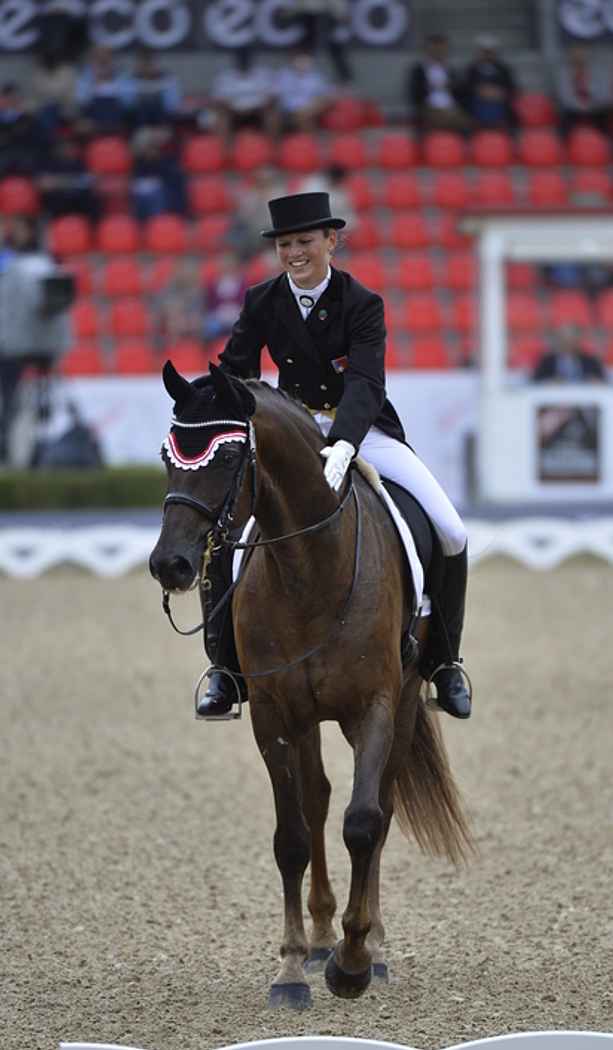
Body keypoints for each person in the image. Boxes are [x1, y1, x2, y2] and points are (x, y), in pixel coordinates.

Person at [197, 191, 471, 722]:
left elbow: (367, 382)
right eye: (284, 244)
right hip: (292, 436)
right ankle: (224, 672)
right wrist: (204, 406)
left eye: (304, 241)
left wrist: (344, 443)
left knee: (451, 529)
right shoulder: (261, 300)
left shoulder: (362, 303)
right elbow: (236, 373)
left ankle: (445, 662)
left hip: (363, 431)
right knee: (226, 544)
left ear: (330, 241)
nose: (294, 252)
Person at [0, 216, 72, 464]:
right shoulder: (6, 259)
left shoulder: (41, 260)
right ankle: (0, 450)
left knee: (35, 405)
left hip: (32, 341)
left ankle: (38, 453)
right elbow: (2, 283)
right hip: (5, 345)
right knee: (10, 403)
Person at [210, 48, 279, 144]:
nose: (244, 66)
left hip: (258, 109)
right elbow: (218, 99)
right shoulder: (226, 76)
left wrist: (265, 102)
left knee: (272, 116)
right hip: (234, 110)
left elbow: (273, 95)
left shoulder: (263, 74)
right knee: (221, 117)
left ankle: (273, 147)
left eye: (246, 63)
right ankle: (224, 150)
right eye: (242, 64)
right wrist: (230, 105)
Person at [407, 33, 469, 135]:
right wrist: (434, 87)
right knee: (441, 120)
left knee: (466, 122)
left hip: (451, 108)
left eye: (440, 48)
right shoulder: (419, 70)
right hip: (431, 108)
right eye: (435, 48)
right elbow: (415, 93)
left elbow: (462, 91)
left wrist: (452, 86)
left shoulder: (450, 70)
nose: (438, 51)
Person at [460, 35, 516, 131]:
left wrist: (499, 93)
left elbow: (511, 88)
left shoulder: (503, 69)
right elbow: (467, 88)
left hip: (498, 103)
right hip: (478, 104)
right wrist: (482, 91)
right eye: (484, 51)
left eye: (489, 52)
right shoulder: (472, 70)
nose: (487, 54)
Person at [555, 41, 612, 137]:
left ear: (588, 53)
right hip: (572, 110)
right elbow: (564, 98)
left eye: (583, 51)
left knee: (606, 118)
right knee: (562, 118)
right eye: (577, 51)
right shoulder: (563, 73)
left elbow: (604, 94)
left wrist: (592, 105)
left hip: (595, 109)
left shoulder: (598, 72)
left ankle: (606, 145)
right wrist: (582, 106)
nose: (580, 55)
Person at [76, 44, 134, 133]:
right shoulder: (86, 74)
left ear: (110, 56)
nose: (102, 57)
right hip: (95, 108)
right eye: (99, 54)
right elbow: (82, 100)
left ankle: (113, 131)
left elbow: (129, 100)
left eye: (104, 54)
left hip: (116, 107)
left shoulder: (120, 72)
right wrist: (94, 84)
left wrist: (114, 87)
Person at [275, 48, 335, 133]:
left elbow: (328, 96)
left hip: (309, 110)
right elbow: (273, 94)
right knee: (272, 118)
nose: (302, 63)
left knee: (309, 120)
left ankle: (299, 119)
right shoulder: (282, 75)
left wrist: (308, 111)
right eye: (299, 59)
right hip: (286, 111)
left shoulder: (317, 76)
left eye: (305, 60)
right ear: (291, 60)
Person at [534, 323, 604, 383]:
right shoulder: (548, 361)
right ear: (560, 341)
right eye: (566, 340)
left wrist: (593, 380)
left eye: (573, 341)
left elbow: (601, 379)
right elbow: (537, 380)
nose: (569, 344)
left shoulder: (590, 361)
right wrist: (550, 381)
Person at [131, 49, 182, 128]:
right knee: (146, 105)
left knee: (155, 101)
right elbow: (127, 103)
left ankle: (164, 129)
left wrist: (157, 91)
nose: (148, 69)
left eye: (151, 65)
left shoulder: (168, 79)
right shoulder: (132, 80)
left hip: (163, 115)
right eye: (145, 66)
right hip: (140, 117)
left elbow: (174, 104)